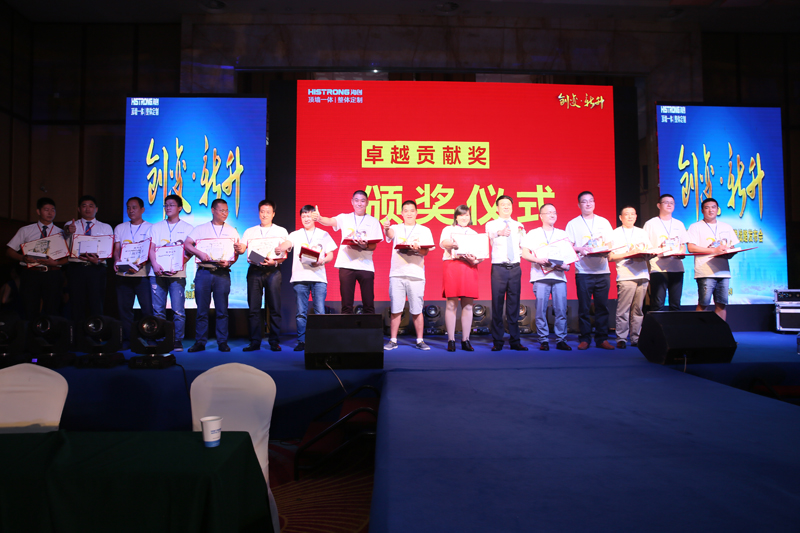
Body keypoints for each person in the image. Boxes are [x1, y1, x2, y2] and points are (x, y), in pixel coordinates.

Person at [278, 205, 337, 351]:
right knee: (301, 312)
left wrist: (323, 260)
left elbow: (330, 254)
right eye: (303, 216)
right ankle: (302, 341)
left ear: (314, 217)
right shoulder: (295, 234)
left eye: (309, 216)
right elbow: (288, 243)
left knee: (320, 311)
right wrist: (282, 247)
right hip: (300, 277)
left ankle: (320, 341)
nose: (306, 219)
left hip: (319, 278)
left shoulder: (323, 234)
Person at [184, 199, 240, 352]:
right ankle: (200, 342)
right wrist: (199, 253)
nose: (225, 213)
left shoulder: (232, 231)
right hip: (204, 272)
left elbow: (235, 254)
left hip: (222, 273)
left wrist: (229, 263)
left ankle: (222, 341)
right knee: (202, 310)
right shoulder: (200, 229)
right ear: (213, 210)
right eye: (221, 210)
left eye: (227, 211)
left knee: (222, 310)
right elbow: (187, 244)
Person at [314, 190, 382, 314]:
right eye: (356, 200)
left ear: (367, 202)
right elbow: (330, 221)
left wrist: (364, 246)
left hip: (366, 265)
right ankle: (347, 327)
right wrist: (319, 219)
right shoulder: (344, 217)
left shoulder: (373, 221)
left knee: (368, 304)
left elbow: (374, 246)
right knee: (346, 305)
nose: (359, 203)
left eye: (362, 201)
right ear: (352, 202)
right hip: (346, 264)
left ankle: (369, 327)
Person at [234, 200, 288, 352]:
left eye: (268, 212)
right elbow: (243, 249)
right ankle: (255, 341)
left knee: (274, 307)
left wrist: (275, 262)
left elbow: (284, 255)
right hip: (255, 270)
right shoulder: (250, 231)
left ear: (273, 214)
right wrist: (239, 247)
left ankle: (274, 341)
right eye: (262, 211)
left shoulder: (281, 231)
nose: (265, 215)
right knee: (254, 308)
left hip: (273, 271)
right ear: (258, 213)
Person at [565, 191, 615, 350]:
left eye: (591, 201)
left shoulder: (603, 222)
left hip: (602, 271)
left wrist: (604, 249)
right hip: (583, 272)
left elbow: (610, 243)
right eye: (584, 201)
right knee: (584, 307)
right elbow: (568, 246)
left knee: (602, 307)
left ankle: (602, 339)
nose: (588, 204)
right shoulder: (573, 224)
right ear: (579, 205)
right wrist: (580, 249)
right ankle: (585, 338)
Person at [383, 200, 435, 351]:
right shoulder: (395, 228)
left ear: (416, 212)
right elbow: (390, 235)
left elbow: (426, 251)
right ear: (402, 213)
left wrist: (417, 249)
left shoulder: (424, 230)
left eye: (412, 210)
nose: (409, 213)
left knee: (417, 309)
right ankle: (393, 340)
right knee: (396, 309)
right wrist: (386, 228)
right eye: (406, 211)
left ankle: (420, 340)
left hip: (416, 274)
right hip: (397, 274)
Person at [5, 197, 68, 319]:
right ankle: (30, 331)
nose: (50, 213)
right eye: (46, 209)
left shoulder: (62, 233)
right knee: (29, 309)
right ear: (38, 211)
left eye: (53, 210)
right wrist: (22, 258)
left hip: (52, 274)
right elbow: (9, 251)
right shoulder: (26, 230)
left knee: (52, 310)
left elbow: (68, 258)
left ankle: (50, 331)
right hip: (31, 274)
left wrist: (55, 263)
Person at [520, 203, 571, 351]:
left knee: (561, 309)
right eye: (548, 212)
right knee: (541, 309)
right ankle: (544, 340)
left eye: (554, 212)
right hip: (540, 276)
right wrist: (538, 260)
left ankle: (561, 339)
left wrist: (566, 266)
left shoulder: (562, 234)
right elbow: (525, 253)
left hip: (559, 276)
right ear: (541, 216)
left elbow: (568, 256)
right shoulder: (533, 233)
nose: (552, 215)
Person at [148, 194, 193, 351]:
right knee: (158, 310)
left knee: (178, 310)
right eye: (166, 205)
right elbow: (151, 248)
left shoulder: (188, 228)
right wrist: (155, 265)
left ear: (180, 208)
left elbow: (190, 252)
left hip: (177, 274)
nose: (168, 207)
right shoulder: (156, 227)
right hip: (157, 273)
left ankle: (177, 340)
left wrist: (179, 264)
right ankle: (159, 338)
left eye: (171, 205)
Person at [686, 197, 739, 321]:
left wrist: (730, 252)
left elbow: (732, 246)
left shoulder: (726, 226)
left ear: (718, 209)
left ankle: (720, 332)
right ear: (702, 211)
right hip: (705, 271)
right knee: (703, 304)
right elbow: (691, 248)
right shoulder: (695, 227)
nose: (711, 210)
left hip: (723, 271)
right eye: (707, 208)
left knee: (721, 304)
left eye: (713, 207)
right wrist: (714, 250)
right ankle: (699, 331)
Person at [485, 195, 527, 351]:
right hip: (499, 268)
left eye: (508, 204)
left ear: (512, 207)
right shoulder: (491, 224)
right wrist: (500, 232)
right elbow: (489, 235)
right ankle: (497, 341)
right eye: (502, 204)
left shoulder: (519, 225)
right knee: (497, 304)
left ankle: (515, 340)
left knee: (514, 305)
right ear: (497, 208)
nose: (506, 207)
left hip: (515, 268)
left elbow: (523, 244)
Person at [439, 205, 483, 352]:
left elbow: (481, 254)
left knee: (468, 305)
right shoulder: (449, 229)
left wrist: (475, 260)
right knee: (451, 303)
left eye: (467, 215)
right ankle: (451, 339)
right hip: (452, 266)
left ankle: (466, 339)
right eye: (461, 215)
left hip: (469, 267)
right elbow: (443, 243)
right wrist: (453, 244)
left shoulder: (474, 233)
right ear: (456, 217)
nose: (464, 218)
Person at [64, 195, 114, 320]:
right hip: (76, 268)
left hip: (96, 268)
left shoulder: (105, 227)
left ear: (96, 209)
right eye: (84, 206)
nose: (87, 209)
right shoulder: (70, 225)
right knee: (76, 303)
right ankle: (77, 331)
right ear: (78, 209)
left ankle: (96, 329)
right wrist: (68, 230)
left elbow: (108, 249)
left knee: (96, 303)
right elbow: (64, 238)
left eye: (91, 206)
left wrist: (98, 260)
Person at [113, 197, 153, 349]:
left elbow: (151, 251)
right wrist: (117, 261)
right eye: (128, 207)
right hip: (123, 275)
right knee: (125, 310)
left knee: (147, 309)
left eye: (134, 207)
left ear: (142, 210)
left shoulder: (151, 228)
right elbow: (117, 250)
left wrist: (139, 264)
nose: (131, 210)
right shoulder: (120, 228)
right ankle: (128, 339)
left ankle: (149, 337)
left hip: (143, 275)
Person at [609, 206, 651, 349]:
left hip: (642, 274)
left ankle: (636, 337)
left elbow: (648, 250)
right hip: (625, 275)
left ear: (636, 216)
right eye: (627, 214)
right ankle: (621, 338)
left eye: (633, 214)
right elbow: (611, 256)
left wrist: (647, 255)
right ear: (620, 217)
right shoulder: (615, 233)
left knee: (638, 309)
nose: (630, 216)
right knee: (623, 309)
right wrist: (628, 254)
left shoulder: (642, 232)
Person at [643, 194, 688, 312]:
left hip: (677, 267)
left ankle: (675, 325)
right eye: (666, 202)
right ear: (659, 205)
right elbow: (645, 245)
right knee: (657, 304)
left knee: (675, 304)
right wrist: (658, 251)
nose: (669, 205)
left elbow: (683, 244)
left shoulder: (679, 224)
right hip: (658, 268)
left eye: (672, 203)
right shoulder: (650, 224)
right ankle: (657, 324)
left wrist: (681, 253)